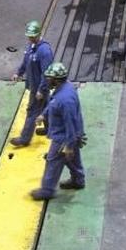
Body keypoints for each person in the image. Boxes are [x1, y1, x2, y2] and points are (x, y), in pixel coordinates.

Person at [30, 61, 85, 200]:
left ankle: (47, 190)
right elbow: (54, 103)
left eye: (48, 78)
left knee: (53, 161)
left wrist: (69, 145)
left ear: (56, 79)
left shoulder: (65, 100)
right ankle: (78, 181)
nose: (46, 80)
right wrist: (44, 114)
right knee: (71, 159)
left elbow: (70, 124)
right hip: (70, 135)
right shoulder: (65, 88)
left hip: (64, 137)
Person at [10, 19, 53, 147]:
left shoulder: (44, 51)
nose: (30, 38)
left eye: (32, 36)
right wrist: (19, 73)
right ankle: (50, 129)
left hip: (39, 87)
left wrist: (41, 89)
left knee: (32, 110)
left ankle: (24, 138)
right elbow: (26, 61)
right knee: (46, 107)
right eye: (29, 36)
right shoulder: (31, 46)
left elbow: (47, 72)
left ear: (38, 34)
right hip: (34, 84)